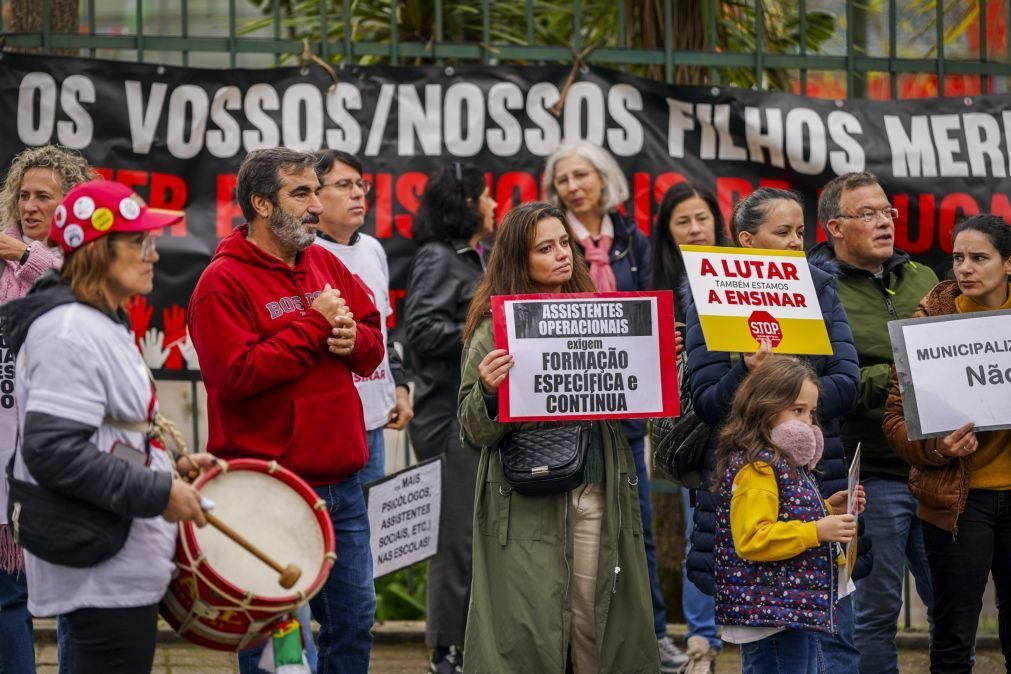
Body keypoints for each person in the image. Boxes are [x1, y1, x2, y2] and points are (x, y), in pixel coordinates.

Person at [0, 179, 212, 674]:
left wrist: (170, 465)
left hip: (115, 557)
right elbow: (54, 452)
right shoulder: (69, 332)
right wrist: (158, 492)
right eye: (139, 242)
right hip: (101, 565)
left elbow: (102, 433)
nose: (153, 255)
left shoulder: (98, 321)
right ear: (97, 251)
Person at [187, 148, 384, 674]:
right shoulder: (221, 283)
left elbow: (372, 340)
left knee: (355, 619)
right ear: (261, 204)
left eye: (317, 192)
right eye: (302, 193)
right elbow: (234, 376)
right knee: (280, 639)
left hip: (342, 486)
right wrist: (316, 326)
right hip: (269, 492)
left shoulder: (324, 261)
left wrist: (351, 338)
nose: (317, 205)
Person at [457, 201, 658, 673]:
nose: (562, 255)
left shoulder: (602, 314)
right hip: (525, 499)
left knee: (594, 625)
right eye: (544, 248)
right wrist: (488, 390)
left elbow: (633, 401)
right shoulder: (494, 327)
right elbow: (473, 427)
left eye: (564, 242)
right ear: (518, 260)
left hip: (595, 491)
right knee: (531, 634)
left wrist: (651, 361)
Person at [684, 187, 863, 669]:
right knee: (771, 638)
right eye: (781, 232)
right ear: (746, 240)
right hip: (747, 477)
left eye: (800, 232)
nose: (794, 242)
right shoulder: (709, 295)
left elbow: (848, 382)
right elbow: (707, 404)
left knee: (836, 640)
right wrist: (744, 371)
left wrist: (791, 403)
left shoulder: (821, 287)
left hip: (817, 474)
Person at [542, 141, 676, 670]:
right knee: (566, 530)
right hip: (565, 404)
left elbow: (647, 308)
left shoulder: (631, 240)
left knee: (633, 524)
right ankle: (567, 644)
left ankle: (652, 633)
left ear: (604, 178)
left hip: (622, 405)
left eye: (581, 175)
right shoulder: (550, 237)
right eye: (562, 180)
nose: (572, 187)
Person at [810, 171, 937, 674]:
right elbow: (822, 382)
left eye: (887, 212)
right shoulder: (816, 291)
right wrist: (903, 373)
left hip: (936, 469)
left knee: (953, 606)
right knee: (874, 614)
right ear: (835, 228)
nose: (884, 222)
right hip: (871, 479)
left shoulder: (924, 279)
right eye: (868, 215)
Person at [882, 214, 1011, 673]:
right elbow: (895, 422)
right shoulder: (928, 322)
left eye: (979, 258)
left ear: (1008, 264)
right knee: (954, 635)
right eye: (958, 257)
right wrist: (939, 449)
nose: (965, 268)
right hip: (956, 502)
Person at [0, 144, 94, 674]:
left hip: (61, 457)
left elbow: (73, 288)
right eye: (23, 195)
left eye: (44, 197)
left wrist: (21, 255)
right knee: (7, 595)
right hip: (3, 452)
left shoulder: (80, 261)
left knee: (73, 598)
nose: (30, 206)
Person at [712, 356, 865, 673]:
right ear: (765, 407)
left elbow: (785, 513)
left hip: (788, 609)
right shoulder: (758, 469)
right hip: (770, 617)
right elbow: (753, 539)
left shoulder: (782, 463)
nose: (808, 423)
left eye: (811, 412)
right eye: (797, 410)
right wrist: (817, 531)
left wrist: (826, 508)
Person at [404, 161, 494, 674]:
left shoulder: (473, 259)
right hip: (446, 417)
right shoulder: (439, 258)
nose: (494, 205)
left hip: (469, 415)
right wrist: (485, 337)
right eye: (485, 195)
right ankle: (446, 652)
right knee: (455, 537)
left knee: (471, 534)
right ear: (464, 204)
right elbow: (420, 331)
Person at [649, 181, 727, 672]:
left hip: (743, 417)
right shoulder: (659, 282)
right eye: (683, 221)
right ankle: (702, 639)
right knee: (701, 527)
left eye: (702, 217)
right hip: (690, 429)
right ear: (668, 231)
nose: (695, 228)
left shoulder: (739, 272)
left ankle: (741, 620)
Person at [313, 149, 413, 487]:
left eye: (360, 184)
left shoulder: (373, 249)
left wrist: (398, 386)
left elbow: (382, 327)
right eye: (343, 184)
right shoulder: (307, 256)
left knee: (371, 530)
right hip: (331, 426)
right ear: (315, 194)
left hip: (374, 419)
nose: (357, 193)